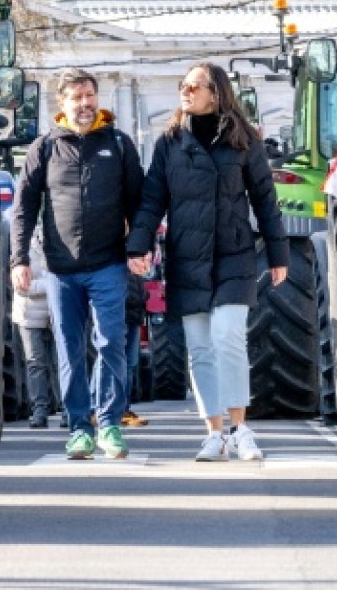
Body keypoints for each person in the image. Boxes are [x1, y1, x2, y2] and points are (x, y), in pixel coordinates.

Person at [126, 61, 289, 462]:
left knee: (228, 336)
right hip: (187, 257)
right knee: (199, 347)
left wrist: (278, 253)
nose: (185, 91)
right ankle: (214, 433)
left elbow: (265, 199)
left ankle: (240, 429)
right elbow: (152, 200)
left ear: (216, 94)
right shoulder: (169, 142)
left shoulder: (243, 140)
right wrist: (138, 246)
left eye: (194, 86)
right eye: (183, 85)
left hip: (234, 255)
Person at [11, 67, 144, 461]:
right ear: (62, 103)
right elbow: (24, 208)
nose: (85, 104)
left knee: (111, 342)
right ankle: (79, 428)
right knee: (69, 349)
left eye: (90, 96)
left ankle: (110, 423)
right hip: (61, 269)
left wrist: (139, 248)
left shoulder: (118, 145)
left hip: (109, 264)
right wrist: (19, 259)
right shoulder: (44, 148)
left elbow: (139, 203)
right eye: (77, 97)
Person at [12, 228, 58, 428]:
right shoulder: (22, 249)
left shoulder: (60, 245)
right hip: (29, 316)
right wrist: (51, 285)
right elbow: (22, 286)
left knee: (62, 362)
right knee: (35, 364)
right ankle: (40, 411)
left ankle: (68, 410)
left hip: (56, 313)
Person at [120, 273, 149, 427]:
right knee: (114, 363)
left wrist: (143, 295)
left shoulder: (137, 268)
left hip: (135, 315)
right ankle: (107, 409)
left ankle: (124, 409)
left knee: (129, 364)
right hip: (120, 315)